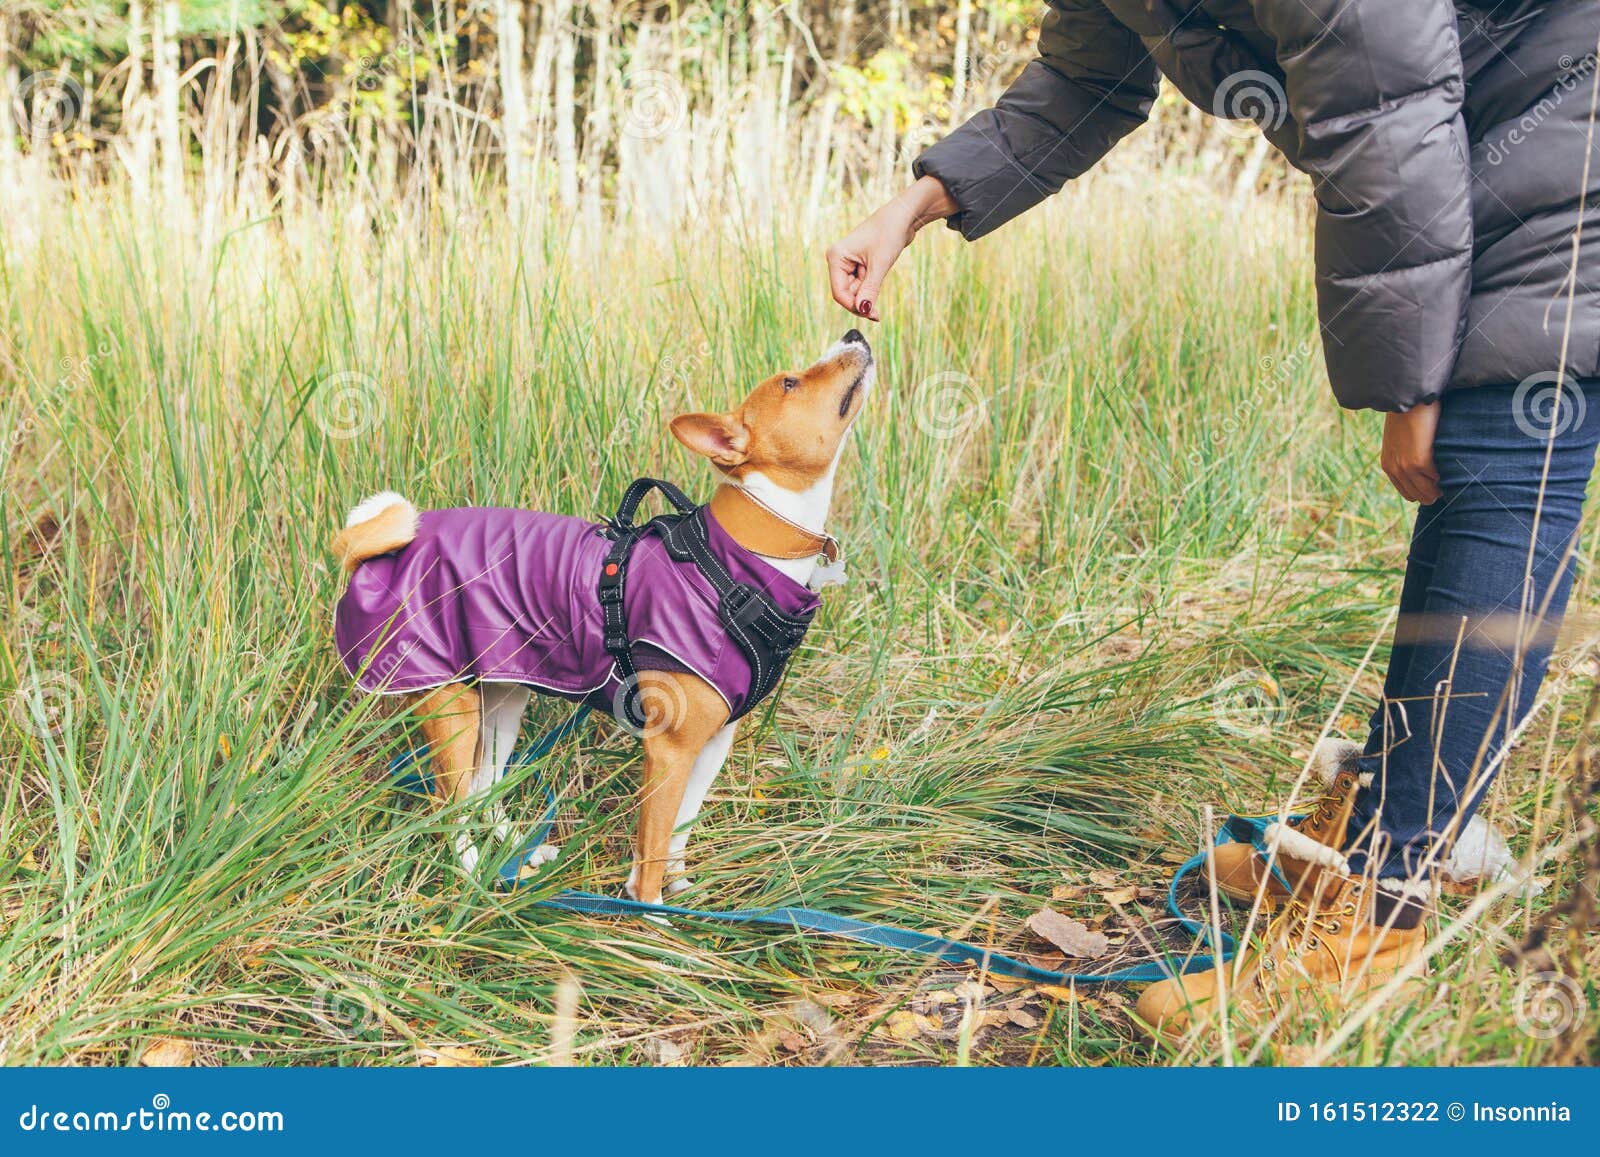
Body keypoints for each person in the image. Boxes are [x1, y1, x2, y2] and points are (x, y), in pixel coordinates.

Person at [826, 0, 1600, 1038]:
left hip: (1567, 126)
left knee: (1502, 448)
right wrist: (916, 202)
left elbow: (1383, 93)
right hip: (1466, 140)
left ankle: (1379, 922)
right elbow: (1089, 73)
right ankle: (1381, 836)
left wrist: (1411, 382)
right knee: (1473, 464)